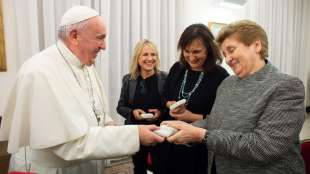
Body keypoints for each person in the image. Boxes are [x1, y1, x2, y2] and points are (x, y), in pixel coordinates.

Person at [0, 6, 164, 174]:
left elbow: (91, 108)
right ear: (74, 36)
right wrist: (135, 135)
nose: (104, 46)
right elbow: (69, 144)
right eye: (100, 38)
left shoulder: (84, 64)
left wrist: (107, 123)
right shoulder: (40, 72)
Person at [163, 19, 306, 174]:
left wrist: (201, 135)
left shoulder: (286, 86)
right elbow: (215, 121)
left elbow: (264, 146)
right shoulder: (227, 84)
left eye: (231, 50)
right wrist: (184, 129)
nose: (227, 59)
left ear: (256, 46)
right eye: (225, 54)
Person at [162, 23, 229, 174]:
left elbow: (223, 118)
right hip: (172, 142)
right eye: (187, 51)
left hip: (200, 148)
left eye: (197, 52)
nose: (191, 57)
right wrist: (169, 104)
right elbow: (164, 95)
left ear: (209, 50)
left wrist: (191, 116)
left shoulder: (221, 76)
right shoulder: (177, 68)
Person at [117, 39, 167, 174]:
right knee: (139, 167)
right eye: (145, 55)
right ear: (137, 58)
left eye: (153, 54)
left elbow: (169, 107)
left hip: (159, 131)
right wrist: (132, 112)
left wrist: (160, 112)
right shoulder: (128, 80)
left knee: (161, 167)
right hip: (136, 132)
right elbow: (120, 106)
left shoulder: (164, 78)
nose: (150, 59)